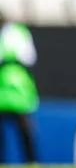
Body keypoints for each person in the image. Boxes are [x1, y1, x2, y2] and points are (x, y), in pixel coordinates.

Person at [0, 13, 38, 164]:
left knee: (24, 128)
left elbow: (29, 57)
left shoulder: (19, 33)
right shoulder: (20, 33)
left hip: (17, 90)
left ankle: (31, 161)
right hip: (8, 90)